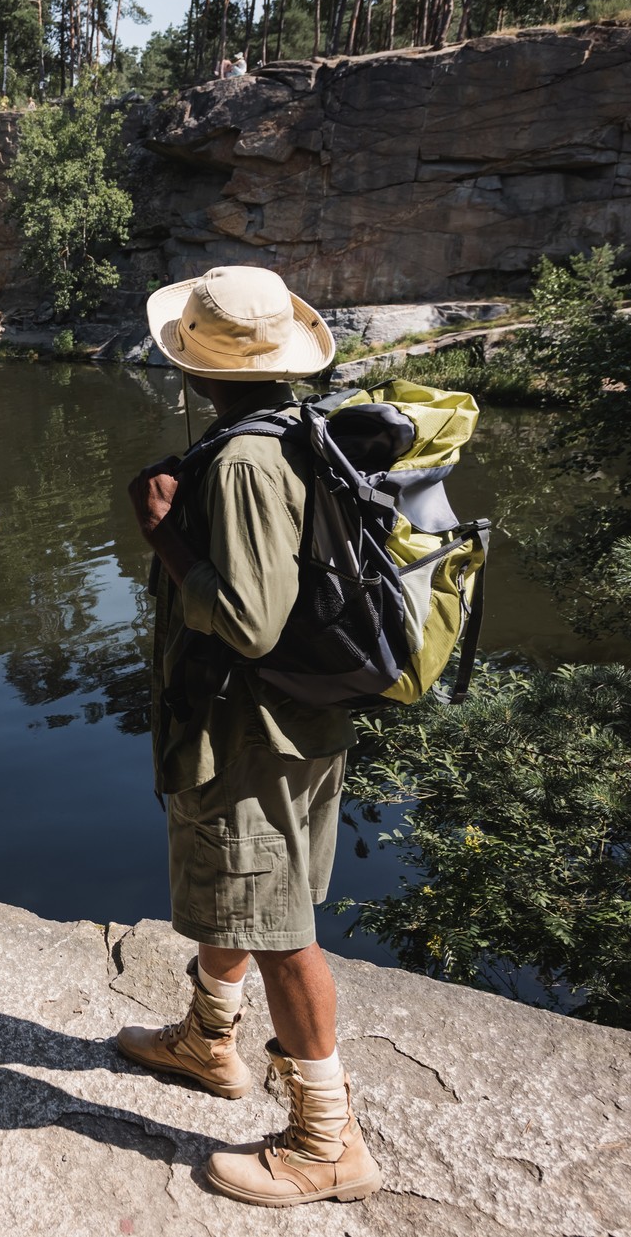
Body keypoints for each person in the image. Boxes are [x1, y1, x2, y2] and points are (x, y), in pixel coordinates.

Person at [117, 266, 382, 1207]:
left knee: (279, 928)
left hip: (250, 734)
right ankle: (207, 1038)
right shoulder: (292, 431)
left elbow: (248, 619)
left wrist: (162, 534)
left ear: (194, 367)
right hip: (303, 717)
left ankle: (326, 1140)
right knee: (255, 900)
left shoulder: (237, 463)